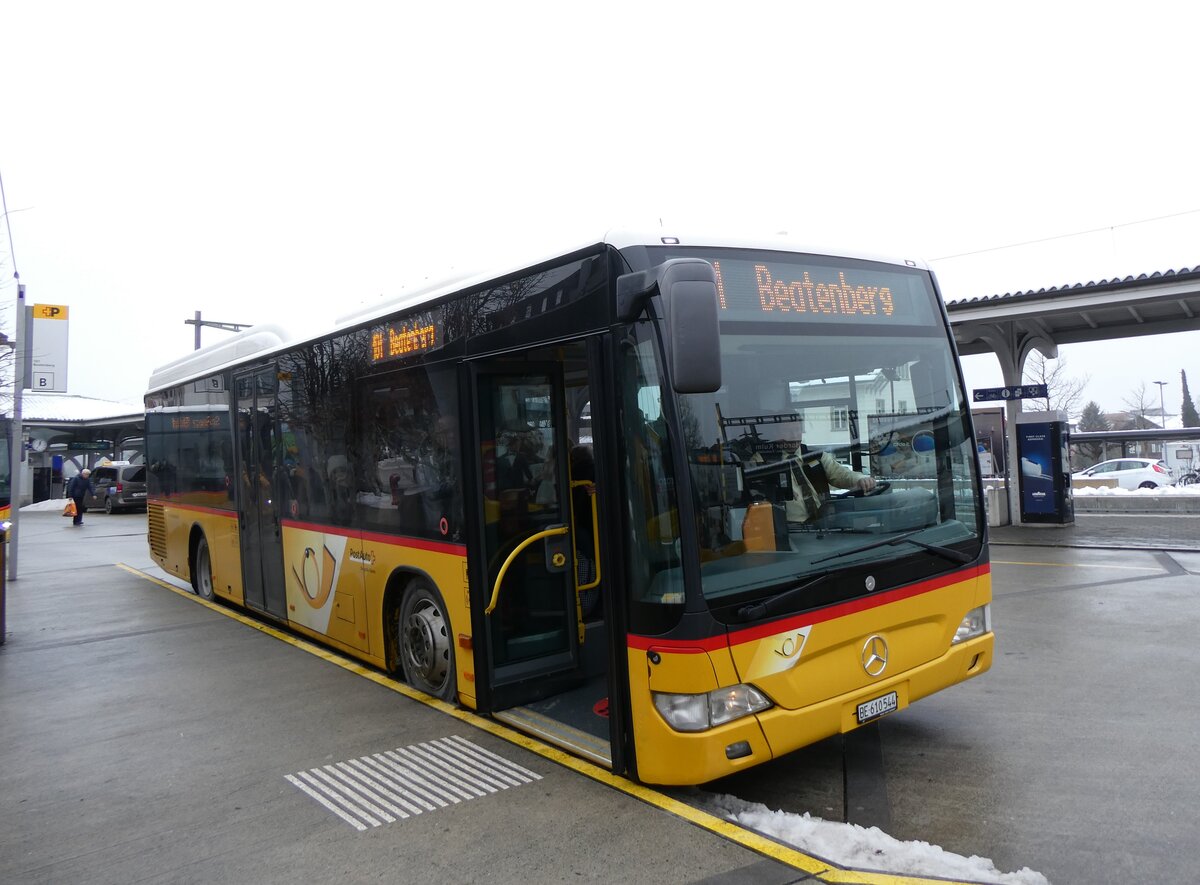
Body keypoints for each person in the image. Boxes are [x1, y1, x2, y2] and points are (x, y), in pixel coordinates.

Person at [783, 441, 876, 524]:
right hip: (789, 528)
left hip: (822, 523)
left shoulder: (816, 456)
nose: (793, 435)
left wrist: (860, 479)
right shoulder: (774, 463)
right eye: (788, 430)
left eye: (797, 429)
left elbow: (841, 474)